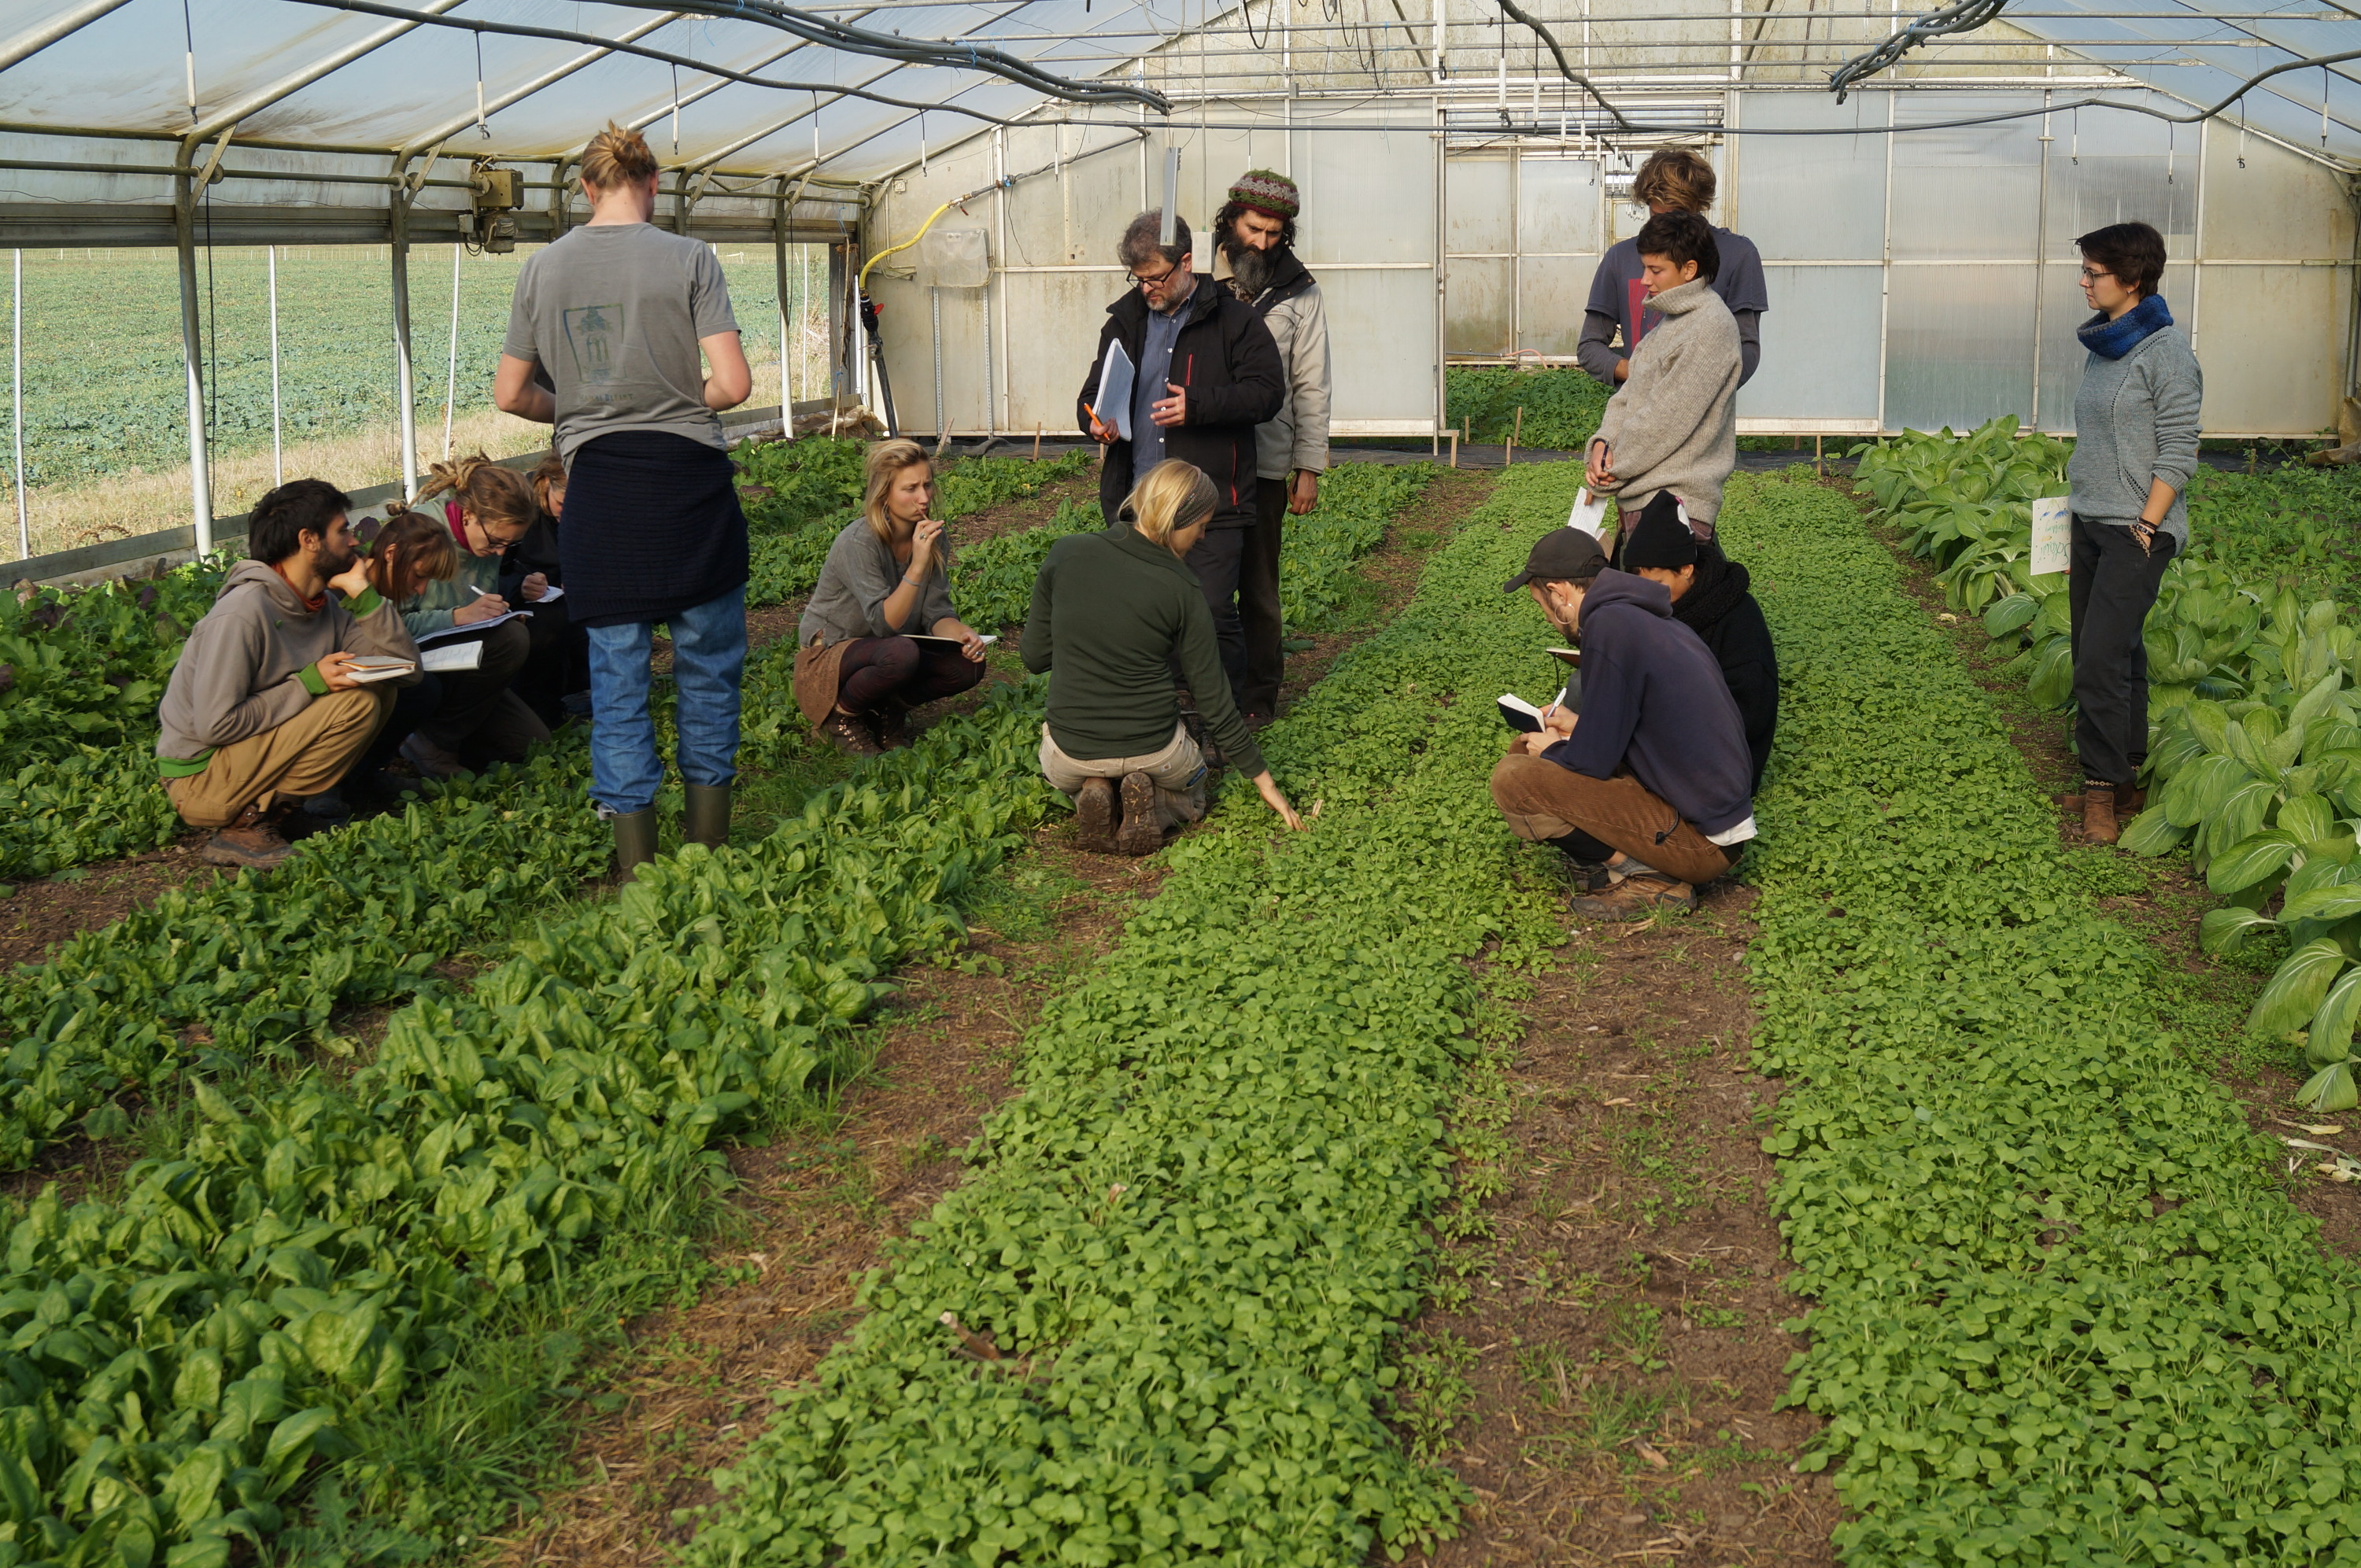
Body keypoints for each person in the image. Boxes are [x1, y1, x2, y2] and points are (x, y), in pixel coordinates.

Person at [494, 121, 754, 873]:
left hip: (602, 499)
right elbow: (733, 386)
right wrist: (678, 395)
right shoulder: (690, 258)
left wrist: (574, 409)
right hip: (689, 492)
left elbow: (512, 392)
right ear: (653, 184)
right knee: (707, 670)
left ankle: (634, 862)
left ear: (584, 188)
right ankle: (707, 850)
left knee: (617, 682)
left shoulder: (543, 270)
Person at [1023, 459, 1304, 856]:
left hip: (1072, 750)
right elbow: (1214, 701)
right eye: (1202, 525)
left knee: (1071, 764)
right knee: (1194, 793)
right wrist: (1266, 783)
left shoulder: (1067, 553)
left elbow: (1034, 657)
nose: (1203, 536)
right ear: (1179, 519)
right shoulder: (1184, 588)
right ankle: (1160, 805)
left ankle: (1095, 787)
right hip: (1156, 750)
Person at [1488, 526, 1755, 918]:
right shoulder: (1636, 618)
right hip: (1706, 820)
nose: (1546, 616)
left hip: (1703, 843)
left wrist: (1557, 748)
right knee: (1528, 747)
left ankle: (1649, 877)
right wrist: (1575, 726)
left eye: (1542, 605)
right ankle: (1639, 865)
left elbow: (1593, 761)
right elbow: (1642, 729)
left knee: (1515, 777)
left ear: (1560, 593)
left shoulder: (1609, 629)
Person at [1078, 209, 1284, 714]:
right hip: (1140, 498)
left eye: (1155, 277)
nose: (1146, 287)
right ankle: (1170, 704)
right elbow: (1091, 393)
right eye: (1139, 278)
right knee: (1149, 608)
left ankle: (1225, 710)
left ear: (1186, 262)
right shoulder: (1124, 322)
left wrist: (1199, 406)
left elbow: (1267, 394)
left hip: (1209, 497)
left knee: (1211, 608)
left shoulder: (1236, 321)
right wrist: (1095, 421)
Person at [154, 478, 419, 871]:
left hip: (241, 760)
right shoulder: (243, 615)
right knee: (355, 701)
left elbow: (404, 669)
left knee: (381, 690)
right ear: (309, 539)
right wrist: (310, 683)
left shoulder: (322, 604)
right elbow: (216, 725)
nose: (353, 541)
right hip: (201, 778)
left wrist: (364, 595)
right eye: (342, 530)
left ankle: (276, 813)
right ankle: (243, 825)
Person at [2065, 220, 2201, 845]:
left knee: (2097, 658)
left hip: (2137, 529)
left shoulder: (2167, 354)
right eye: (2086, 270)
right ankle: (2127, 775)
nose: (2085, 281)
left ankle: (2099, 790)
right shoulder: (2106, 346)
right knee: (2120, 651)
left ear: (2133, 277)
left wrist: (2147, 525)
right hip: (2092, 521)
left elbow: (2178, 451)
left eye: (2094, 272)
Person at [1214, 169, 1331, 727]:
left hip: (1263, 464)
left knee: (1259, 586)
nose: (1261, 242)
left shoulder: (1300, 292)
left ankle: (1260, 695)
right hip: (1203, 463)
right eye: (1253, 228)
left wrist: (1307, 465)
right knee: (1205, 581)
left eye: (1274, 233)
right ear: (1231, 218)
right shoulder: (1197, 279)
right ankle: (1207, 685)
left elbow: (1311, 380)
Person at [794, 439, 990, 754]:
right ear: (884, 493)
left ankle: (888, 710)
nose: (924, 498)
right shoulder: (859, 542)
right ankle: (840, 717)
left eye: (927, 485)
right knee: (901, 652)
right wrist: (917, 564)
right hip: (832, 655)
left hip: (890, 648)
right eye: (910, 488)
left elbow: (936, 613)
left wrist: (963, 636)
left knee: (967, 666)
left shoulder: (932, 538)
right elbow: (885, 623)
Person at [382, 453, 552, 780]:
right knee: (512, 641)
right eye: (497, 542)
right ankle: (430, 743)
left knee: (529, 745)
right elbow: (385, 628)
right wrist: (457, 618)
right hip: (415, 669)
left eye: (510, 545)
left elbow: (474, 598)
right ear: (469, 515)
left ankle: (441, 735)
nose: (500, 553)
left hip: (462, 663)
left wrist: (503, 610)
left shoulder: (485, 541)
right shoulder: (418, 536)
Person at [1587, 211, 1742, 540]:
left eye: (1655, 270)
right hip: (1645, 499)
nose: (1644, 279)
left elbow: (1664, 420)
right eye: (1645, 267)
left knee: (1662, 594)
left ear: (1689, 270)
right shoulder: (1670, 324)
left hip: (1675, 507)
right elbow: (1627, 397)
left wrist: (1610, 470)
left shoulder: (1709, 327)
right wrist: (1602, 444)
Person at [1619, 493, 1779, 791]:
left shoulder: (1738, 617)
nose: (1647, 596)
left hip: (1719, 760)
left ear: (1686, 570)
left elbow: (1749, 714)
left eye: (1656, 586)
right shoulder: (1659, 605)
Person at [1580, 147, 1768, 389]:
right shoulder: (1621, 258)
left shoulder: (1738, 255)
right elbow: (1590, 346)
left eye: (1679, 215)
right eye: (1658, 215)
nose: (1668, 225)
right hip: (1637, 416)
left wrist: (1692, 391)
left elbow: (1746, 349)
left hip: (1703, 418)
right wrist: (1639, 372)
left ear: (1699, 205)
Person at [499, 450, 590, 727]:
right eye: (563, 503)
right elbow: (493, 570)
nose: (569, 512)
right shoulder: (522, 508)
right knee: (550, 624)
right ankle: (544, 711)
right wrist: (520, 585)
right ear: (546, 483)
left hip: (572, 597)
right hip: (525, 604)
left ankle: (586, 695)